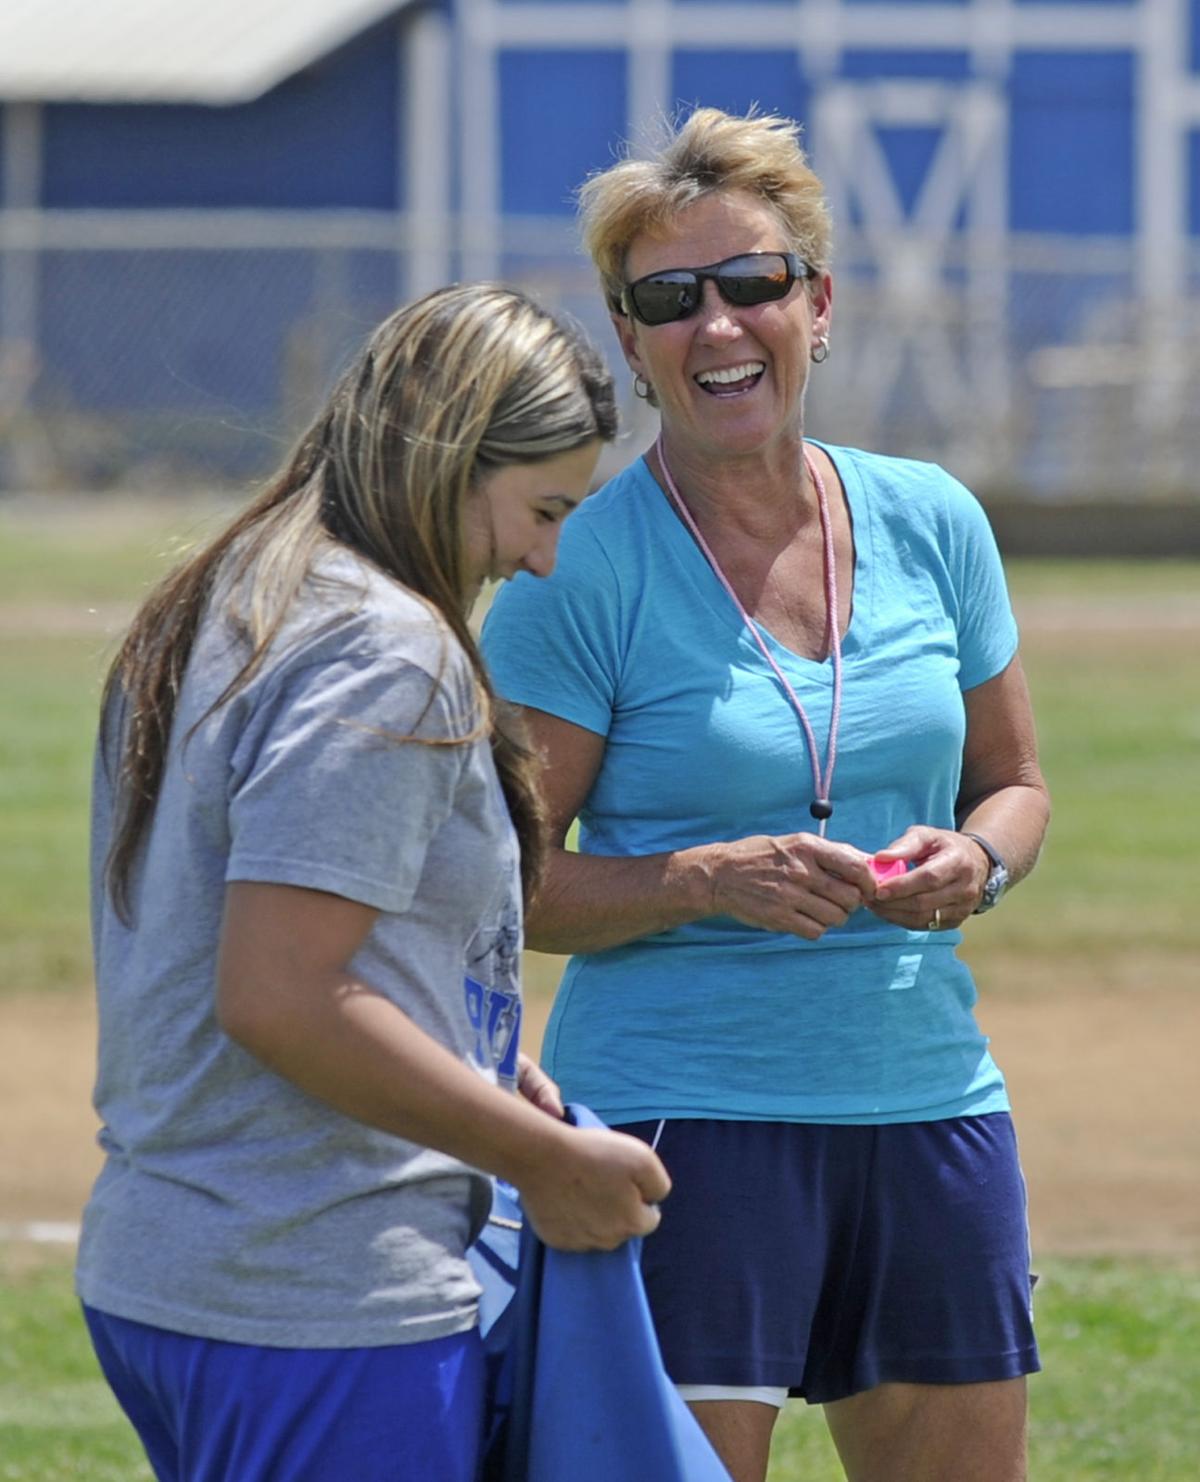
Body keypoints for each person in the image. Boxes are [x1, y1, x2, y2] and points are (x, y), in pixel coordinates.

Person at [481, 109, 1051, 1482]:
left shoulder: (932, 518)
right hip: (681, 1124)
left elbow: (1016, 781)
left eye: (753, 283)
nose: (718, 326)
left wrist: (981, 864)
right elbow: (502, 882)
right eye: (670, 299)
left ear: (820, 302)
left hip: (931, 1102)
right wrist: (699, 877)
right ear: (628, 339)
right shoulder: (583, 566)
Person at [77, 283, 671, 1482]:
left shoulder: (237, 588)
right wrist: (541, 1161)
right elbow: (281, 993)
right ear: (447, 458)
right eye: (542, 509)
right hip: (317, 1291)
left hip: (176, 1266)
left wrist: (471, 1046)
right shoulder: (385, 646)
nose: (545, 560)